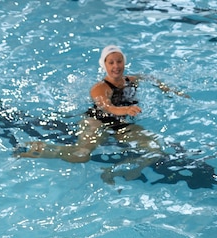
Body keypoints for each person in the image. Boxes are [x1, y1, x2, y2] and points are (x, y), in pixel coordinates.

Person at [15, 45, 188, 184]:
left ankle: (116, 171)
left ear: (124, 63)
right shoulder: (99, 88)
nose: (116, 66)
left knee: (154, 150)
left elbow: (150, 78)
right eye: (111, 62)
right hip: (96, 122)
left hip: (121, 124)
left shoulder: (131, 80)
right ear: (104, 65)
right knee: (80, 155)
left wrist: (169, 89)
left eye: (119, 61)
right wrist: (126, 110)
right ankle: (39, 148)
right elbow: (107, 107)